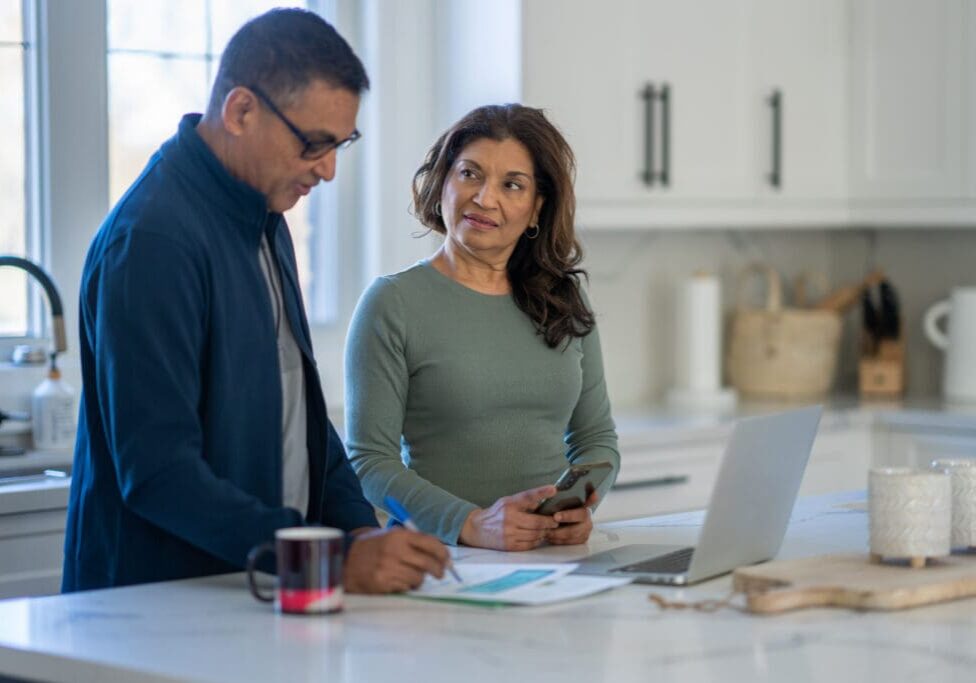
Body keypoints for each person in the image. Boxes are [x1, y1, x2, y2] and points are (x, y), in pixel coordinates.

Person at [63, 8, 448, 594]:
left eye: (342, 144)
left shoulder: (264, 215)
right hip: (157, 610)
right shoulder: (153, 240)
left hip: (249, 593)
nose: (328, 169)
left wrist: (356, 529)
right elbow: (159, 474)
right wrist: (333, 557)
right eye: (315, 144)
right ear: (241, 110)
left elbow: (301, 410)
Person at [345, 104, 620, 551]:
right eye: (470, 174)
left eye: (512, 185)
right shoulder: (392, 304)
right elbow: (369, 462)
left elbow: (596, 440)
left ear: (536, 209)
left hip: (552, 560)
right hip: (444, 558)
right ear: (442, 184)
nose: (484, 197)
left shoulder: (564, 301)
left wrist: (580, 507)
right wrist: (470, 523)